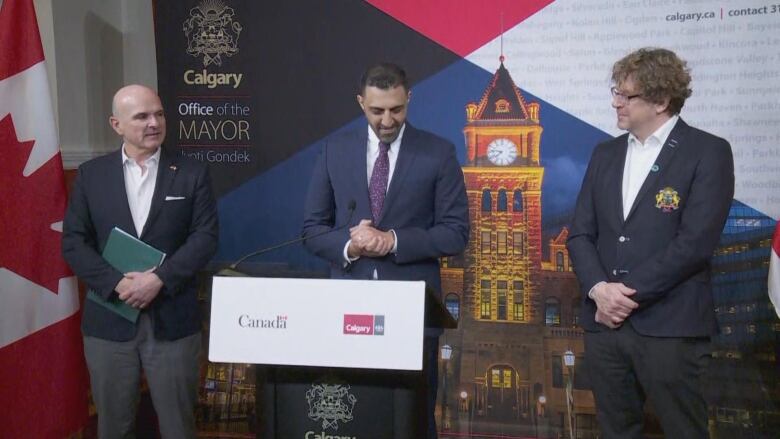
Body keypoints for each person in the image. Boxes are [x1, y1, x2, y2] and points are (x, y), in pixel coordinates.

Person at [567, 48, 734, 438]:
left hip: (669, 329)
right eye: (616, 92)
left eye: (627, 96)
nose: (615, 102)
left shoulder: (707, 152)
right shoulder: (604, 154)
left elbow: (694, 244)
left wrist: (624, 294)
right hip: (605, 328)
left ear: (660, 101)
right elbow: (580, 234)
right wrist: (597, 290)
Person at [302, 62, 469, 438]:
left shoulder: (438, 153)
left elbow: (456, 233)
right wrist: (351, 244)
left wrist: (392, 240)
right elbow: (312, 231)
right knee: (354, 415)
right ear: (361, 103)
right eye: (377, 110)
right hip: (346, 312)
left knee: (414, 419)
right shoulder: (334, 151)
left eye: (397, 109)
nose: (388, 120)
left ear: (408, 98)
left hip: (413, 312)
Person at [62, 85, 218, 439]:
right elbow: (73, 242)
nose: (154, 123)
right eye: (142, 116)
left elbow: (205, 238)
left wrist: (159, 279)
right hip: (109, 322)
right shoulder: (91, 175)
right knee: (114, 428)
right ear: (116, 124)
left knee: (179, 427)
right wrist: (118, 284)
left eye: (159, 114)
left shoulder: (193, 172)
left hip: (173, 321)